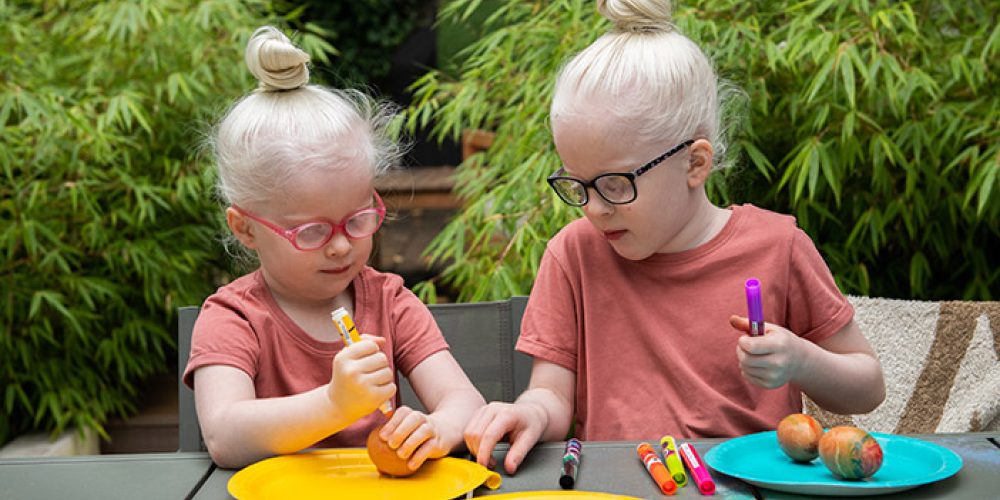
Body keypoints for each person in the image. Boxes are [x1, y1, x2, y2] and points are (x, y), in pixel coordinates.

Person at [463, 0, 886, 474]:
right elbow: (551, 395)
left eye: (616, 185)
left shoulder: (777, 246)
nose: (595, 208)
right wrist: (530, 412)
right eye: (577, 184)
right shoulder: (573, 254)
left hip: (746, 486)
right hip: (620, 486)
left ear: (694, 163)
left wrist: (801, 361)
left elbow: (868, 386)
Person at [183, 26, 484, 469]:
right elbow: (225, 434)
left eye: (358, 220)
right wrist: (332, 404)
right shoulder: (233, 318)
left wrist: (436, 430)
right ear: (245, 228)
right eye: (311, 232)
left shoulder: (388, 301)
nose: (342, 247)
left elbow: (465, 402)